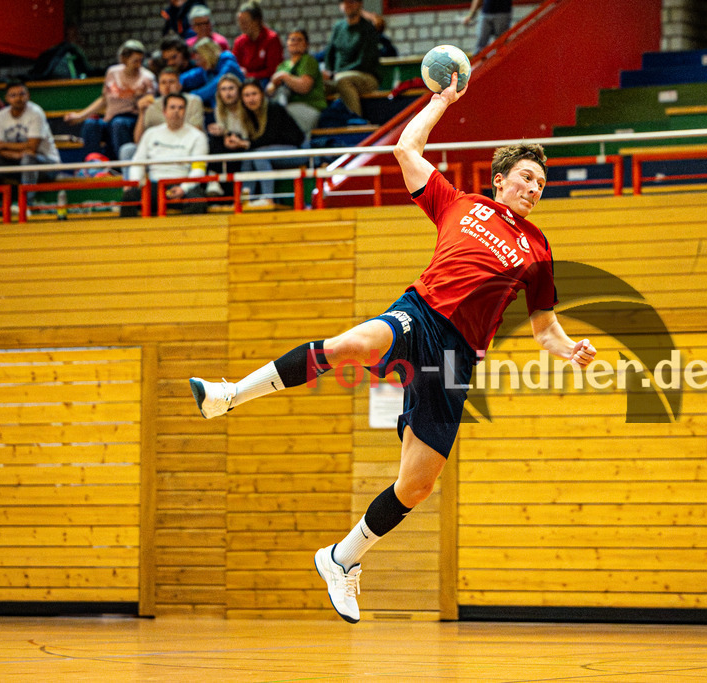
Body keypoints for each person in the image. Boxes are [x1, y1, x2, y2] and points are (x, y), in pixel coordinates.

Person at [188, 71, 596, 623]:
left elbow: (545, 327)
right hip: (422, 312)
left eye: (540, 184)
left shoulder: (539, 249)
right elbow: (406, 147)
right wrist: (440, 101)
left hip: (457, 358)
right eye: (525, 177)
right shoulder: (461, 204)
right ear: (501, 179)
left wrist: (569, 350)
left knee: (418, 484)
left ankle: (342, 558)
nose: (532, 188)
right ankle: (228, 394)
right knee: (354, 343)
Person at [64, 40, 156, 161]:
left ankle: (121, 165)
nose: (138, 65)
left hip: (132, 119)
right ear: (124, 59)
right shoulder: (112, 72)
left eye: (140, 61)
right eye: (135, 61)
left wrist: (139, 99)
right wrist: (80, 116)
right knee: (90, 124)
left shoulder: (147, 77)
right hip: (110, 118)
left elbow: (149, 103)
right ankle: (92, 163)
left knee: (118, 123)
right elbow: (104, 99)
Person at [122, 93, 209, 218]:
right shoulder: (151, 133)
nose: (176, 111)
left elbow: (199, 169)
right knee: (129, 196)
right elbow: (138, 162)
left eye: (180, 108)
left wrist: (183, 188)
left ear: (185, 111)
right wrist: (135, 182)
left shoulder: (198, 136)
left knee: (197, 201)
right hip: (154, 186)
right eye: (172, 107)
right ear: (164, 111)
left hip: (183, 184)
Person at [232, 78, 307, 205]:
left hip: (297, 150)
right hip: (273, 151)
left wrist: (246, 144)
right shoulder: (247, 115)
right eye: (246, 95)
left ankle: (268, 197)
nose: (251, 99)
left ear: (261, 94)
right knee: (248, 157)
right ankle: (245, 198)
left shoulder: (273, 108)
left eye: (254, 94)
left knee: (259, 156)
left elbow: (271, 137)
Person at [0, 79, 62, 208]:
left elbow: (32, 146)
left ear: (28, 95)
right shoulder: (1, 116)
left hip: (47, 164)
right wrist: (16, 155)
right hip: (16, 162)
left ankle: (26, 205)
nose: (18, 99)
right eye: (13, 95)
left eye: (21, 94)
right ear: (6, 98)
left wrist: (5, 145)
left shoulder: (36, 113)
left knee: (28, 158)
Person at [119, 67, 205, 161]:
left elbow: (198, 133)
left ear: (179, 85)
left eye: (171, 82)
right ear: (158, 87)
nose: (167, 86)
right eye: (163, 83)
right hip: (156, 149)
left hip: (183, 146)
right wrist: (142, 113)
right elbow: (139, 141)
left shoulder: (193, 101)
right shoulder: (151, 105)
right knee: (128, 150)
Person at [322, 0, 380, 118]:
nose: (347, 5)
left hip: (366, 76)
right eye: (344, 2)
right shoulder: (338, 27)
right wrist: (328, 73)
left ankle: (356, 120)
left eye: (351, 2)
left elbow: (364, 62)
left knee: (343, 81)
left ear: (360, 4)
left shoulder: (368, 29)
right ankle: (323, 123)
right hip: (337, 75)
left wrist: (335, 75)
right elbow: (329, 54)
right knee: (318, 85)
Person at [267, 29, 327, 134]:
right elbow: (269, 90)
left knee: (279, 116)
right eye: (292, 39)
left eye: (299, 40)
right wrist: (273, 85)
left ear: (306, 45)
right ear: (287, 43)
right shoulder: (283, 66)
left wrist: (285, 77)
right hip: (287, 106)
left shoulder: (308, 60)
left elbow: (304, 87)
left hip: (309, 107)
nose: (295, 42)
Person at [180, 37, 245, 107]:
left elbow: (214, 87)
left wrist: (186, 97)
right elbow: (191, 75)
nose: (197, 64)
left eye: (199, 60)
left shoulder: (229, 66)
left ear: (207, 56)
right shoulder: (209, 67)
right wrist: (175, 81)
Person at [233, 0, 283, 86]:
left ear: (256, 21)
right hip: (244, 81)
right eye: (240, 22)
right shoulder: (239, 42)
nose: (241, 26)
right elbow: (235, 66)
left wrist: (249, 75)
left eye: (245, 22)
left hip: (265, 82)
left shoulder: (271, 38)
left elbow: (272, 70)